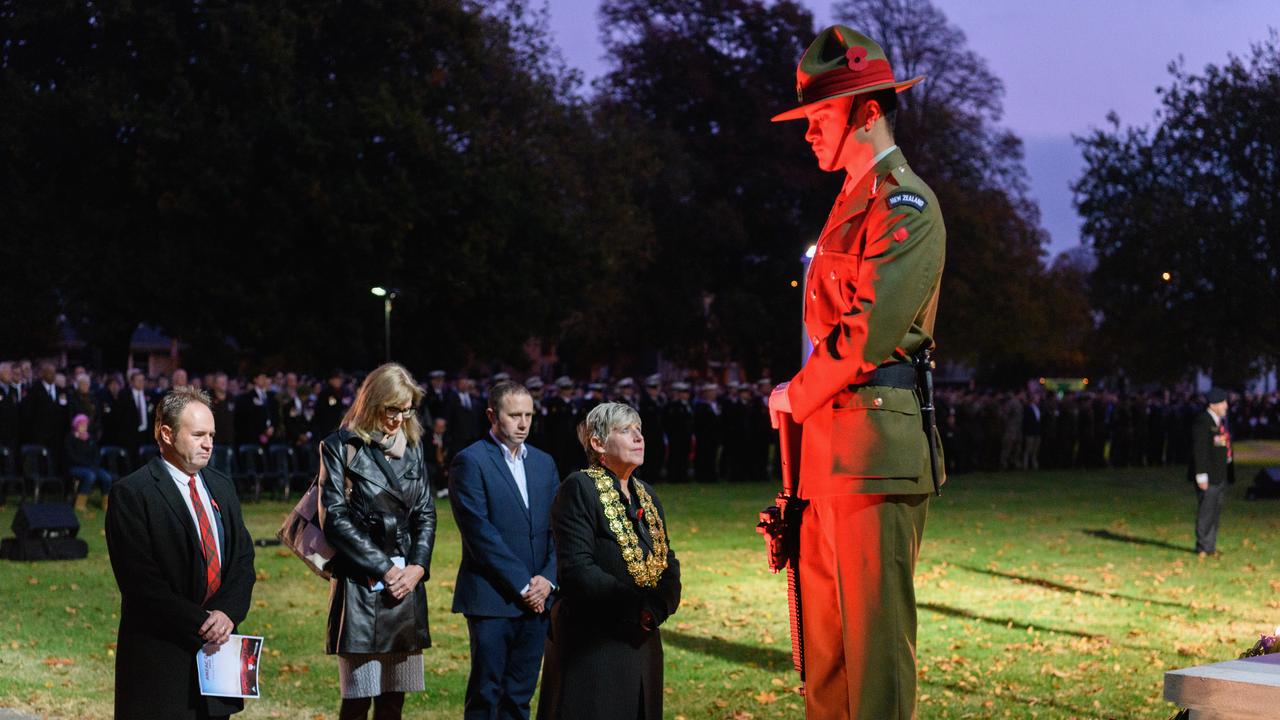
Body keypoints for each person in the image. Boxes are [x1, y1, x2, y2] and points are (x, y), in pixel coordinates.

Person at [768, 25, 946, 719]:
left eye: (819, 117)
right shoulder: (848, 204)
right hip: (828, 459)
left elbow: (865, 333)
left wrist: (795, 394)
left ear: (867, 112)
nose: (809, 132)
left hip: (876, 455)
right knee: (828, 663)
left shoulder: (907, 205)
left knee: (874, 664)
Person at [105, 387, 257, 720]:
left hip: (218, 660)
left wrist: (228, 612)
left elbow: (243, 560)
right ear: (166, 434)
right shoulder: (133, 493)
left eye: (212, 435)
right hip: (160, 662)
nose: (209, 444)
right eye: (199, 434)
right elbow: (141, 582)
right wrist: (202, 622)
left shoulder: (222, 485)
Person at [536, 402, 681, 720]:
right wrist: (636, 608)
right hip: (596, 640)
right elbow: (577, 569)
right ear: (598, 443)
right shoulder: (579, 487)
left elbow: (667, 560)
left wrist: (658, 607)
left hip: (643, 638)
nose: (638, 437)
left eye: (639, 430)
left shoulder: (647, 494)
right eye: (625, 431)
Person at [320, 363, 437, 720]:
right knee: (358, 697)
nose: (400, 419)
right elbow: (334, 518)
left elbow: (425, 513)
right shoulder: (341, 446)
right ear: (373, 403)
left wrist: (417, 567)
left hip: (406, 583)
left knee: (394, 700)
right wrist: (385, 569)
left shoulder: (414, 446)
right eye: (393, 409)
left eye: (407, 410)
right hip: (362, 581)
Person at [448, 380, 560, 720]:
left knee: (520, 695)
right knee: (487, 693)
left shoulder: (543, 463)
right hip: (492, 598)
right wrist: (525, 586)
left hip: (538, 600)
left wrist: (548, 579)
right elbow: (480, 533)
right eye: (514, 415)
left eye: (528, 414)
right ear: (492, 415)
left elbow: (559, 529)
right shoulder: (470, 461)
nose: (523, 423)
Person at [1190, 388, 1232, 558]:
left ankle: (1210, 546)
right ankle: (1202, 547)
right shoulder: (1203, 421)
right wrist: (1201, 475)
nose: (1226, 406)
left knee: (1215, 512)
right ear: (1213, 404)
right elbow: (1199, 451)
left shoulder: (1217, 421)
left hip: (1218, 475)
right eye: (1223, 403)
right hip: (1208, 476)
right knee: (1206, 512)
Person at [67, 414, 114, 511]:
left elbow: (96, 454)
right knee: (90, 476)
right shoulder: (71, 438)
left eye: (85, 425)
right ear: (76, 425)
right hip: (77, 467)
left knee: (107, 477)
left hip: (92, 467)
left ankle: (106, 503)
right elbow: (71, 456)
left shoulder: (90, 438)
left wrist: (94, 464)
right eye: (82, 425)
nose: (84, 427)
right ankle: (80, 504)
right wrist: (87, 465)